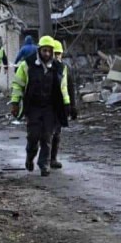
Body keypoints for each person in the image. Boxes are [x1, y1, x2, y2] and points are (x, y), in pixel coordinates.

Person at [10, 36, 72, 176]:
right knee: (33, 136)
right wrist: (15, 102)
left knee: (47, 136)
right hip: (33, 107)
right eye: (45, 51)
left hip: (50, 107)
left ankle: (44, 164)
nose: (48, 54)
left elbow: (63, 88)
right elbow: (18, 84)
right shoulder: (27, 64)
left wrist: (67, 104)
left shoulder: (59, 67)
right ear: (39, 50)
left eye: (50, 51)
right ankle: (30, 156)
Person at [50, 39, 77, 169]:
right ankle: (43, 157)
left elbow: (70, 87)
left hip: (59, 105)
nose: (56, 56)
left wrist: (72, 106)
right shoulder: (43, 68)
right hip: (46, 105)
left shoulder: (65, 68)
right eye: (54, 53)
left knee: (56, 132)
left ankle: (52, 158)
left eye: (58, 53)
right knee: (45, 133)